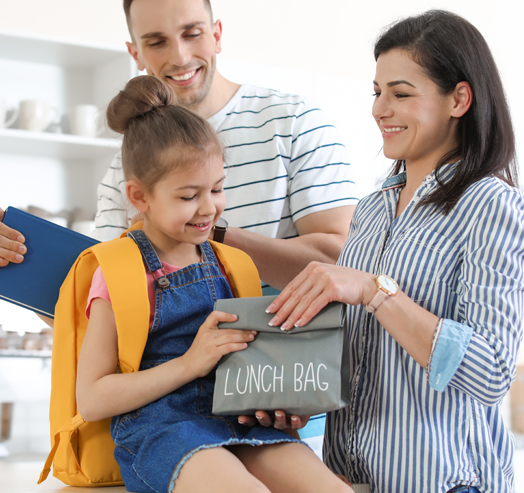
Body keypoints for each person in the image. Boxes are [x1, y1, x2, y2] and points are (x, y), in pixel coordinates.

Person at [0, 0, 357, 303]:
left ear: (217, 33)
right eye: (156, 42)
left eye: (193, 33)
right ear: (135, 53)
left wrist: (204, 231)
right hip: (174, 381)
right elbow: (101, 309)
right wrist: (11, 268)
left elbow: (341, 261)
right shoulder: (124, 169)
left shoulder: (294, 123)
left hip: (276, 377)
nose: (180, 56)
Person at [263, 10, 524, 493]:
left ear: (459, 99)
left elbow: (491, 371)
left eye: (401, 93)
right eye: (377, 92)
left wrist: (373, 290)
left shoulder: (492, 205)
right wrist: (301, 395)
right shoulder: (370, 211)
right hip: (350, 480)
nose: (379, 109)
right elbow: (364, 357)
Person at [76, 74, 351, 493]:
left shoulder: (232, 263)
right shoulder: (116, 272)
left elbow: (249, 363)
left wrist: (276, 401)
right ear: (139, 197)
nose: (209, 208)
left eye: (218, 189)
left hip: (236, 419)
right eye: (188, 196)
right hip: (163, 430)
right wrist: (191, 363)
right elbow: (92, 399)